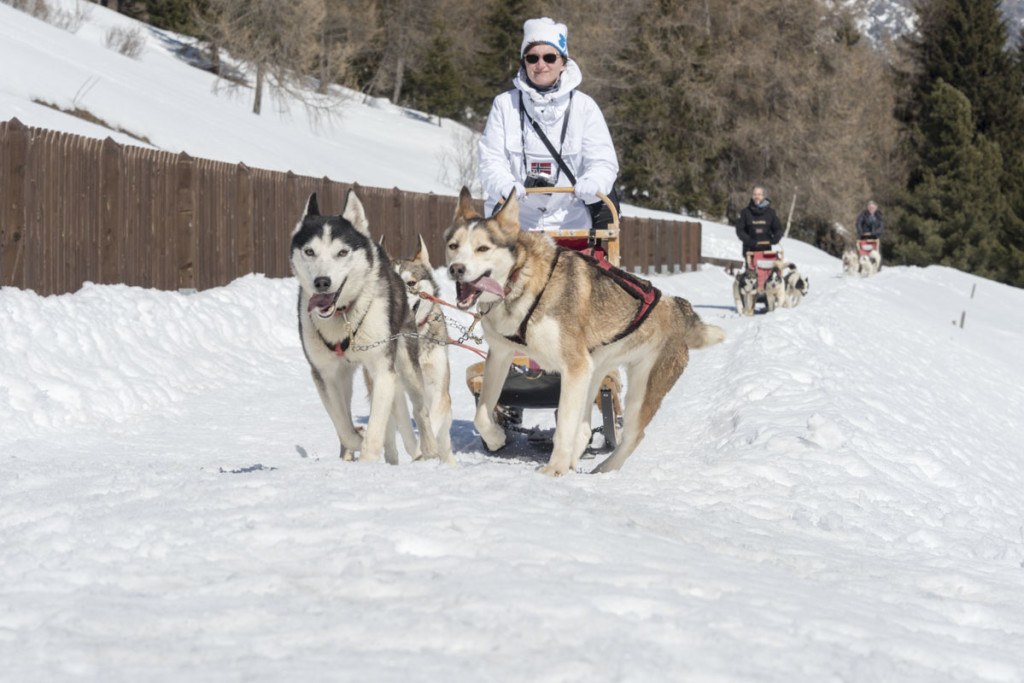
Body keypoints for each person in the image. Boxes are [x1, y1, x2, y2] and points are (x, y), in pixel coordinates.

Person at [477, 17, 619, 231]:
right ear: (524, 62)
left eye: (550, 57)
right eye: (533, 58)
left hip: (571, 224)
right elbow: (490, 159)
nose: (541, 65)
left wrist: (593, 182)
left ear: (563, 63)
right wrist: (505, 185)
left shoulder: (584, 107)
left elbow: (603, 161)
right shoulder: (505, 104)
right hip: (515, 227)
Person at [735, 185, 784, 257]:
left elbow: (778, 229)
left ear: (764, 196)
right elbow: (740, 230)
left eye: (759, 194)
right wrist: (749, 240)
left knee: (768, 267)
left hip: (766, 250)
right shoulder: (745, 212)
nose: (756, 197)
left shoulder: (770, 213)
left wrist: (776, 238)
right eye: (754, 194)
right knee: (752, 268)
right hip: (749, 250)